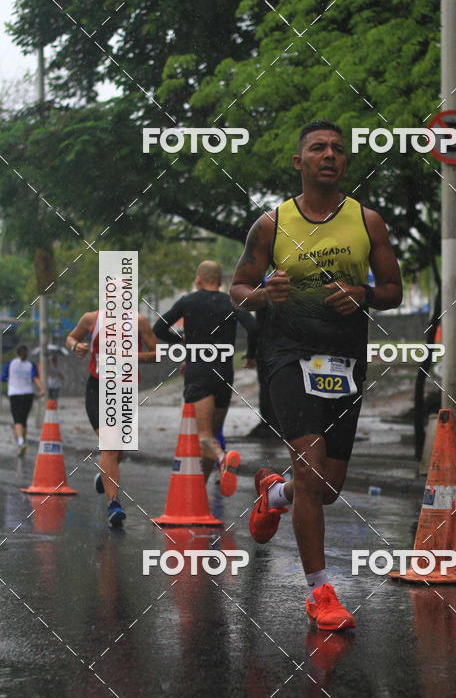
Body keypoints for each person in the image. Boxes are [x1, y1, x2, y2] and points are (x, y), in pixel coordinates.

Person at [230, 120, 402, 630]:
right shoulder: (271, 223)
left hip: (345, 359)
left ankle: (273, 494)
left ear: (345, 162)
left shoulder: (368, 221)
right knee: (310, 468)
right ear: (298, 162)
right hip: (287, 354)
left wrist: (365, 295)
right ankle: (320, 592)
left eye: (337, 149)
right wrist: (263, 294)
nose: (329, 155)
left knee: (325, 487)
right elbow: (237, 288)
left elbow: (392, 288)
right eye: (317, 148)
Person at [153, 260, 257, 494]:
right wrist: (251, 355)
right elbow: (254, 328)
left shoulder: (188, 301)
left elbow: (159, 328)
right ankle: (199, 492)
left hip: (198, 371)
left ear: (199, 279)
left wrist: (182, 342)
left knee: (203, 437)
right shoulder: (231, 301)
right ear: (220, 281)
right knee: (213, 433)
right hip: (224, 372)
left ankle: (224, 459)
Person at [66, 310, 157, 527]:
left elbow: (158, 353)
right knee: (110, 447)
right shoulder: (91, 319)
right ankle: (113, 505)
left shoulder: (139, 321)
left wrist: (130, 357)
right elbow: (71, 337)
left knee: (118, 452)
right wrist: (74, 346)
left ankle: (105, 473)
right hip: (97, 388)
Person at [2, 344, 45, 457]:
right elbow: (35, 378)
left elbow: (3, 378)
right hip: (28, 395)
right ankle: (23, 442)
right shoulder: (30, 365)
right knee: (24, 420)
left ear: (17, 353)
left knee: (18, 420)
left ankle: (21, 442)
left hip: (15, 394)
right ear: (26, 353)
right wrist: (42, 389)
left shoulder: (10, 364)